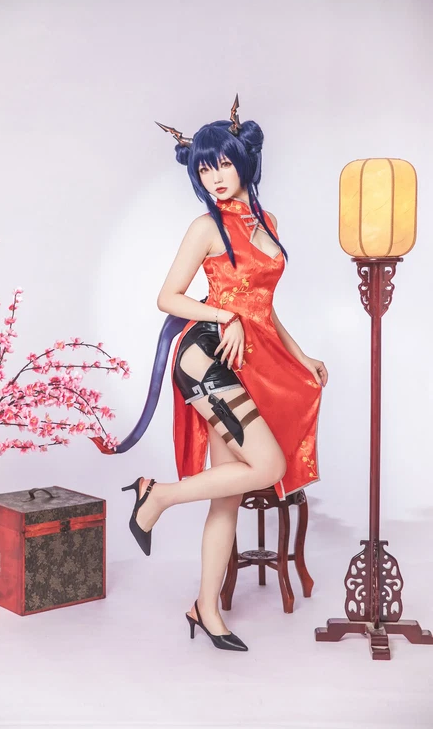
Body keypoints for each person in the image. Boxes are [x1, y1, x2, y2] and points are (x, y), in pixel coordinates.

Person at [121, 96, 327, 652]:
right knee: (268, 465)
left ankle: (205, 608)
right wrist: (224, 315)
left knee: (227, 496)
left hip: (246, 356)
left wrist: (300, 355)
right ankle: (157, 496)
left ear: (244, 162)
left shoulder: (267, 222)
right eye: (204, 168)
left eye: (223, 164)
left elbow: (264, 308)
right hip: (206, 355)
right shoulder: (204, 227)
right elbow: (168, 297)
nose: (214, 177)